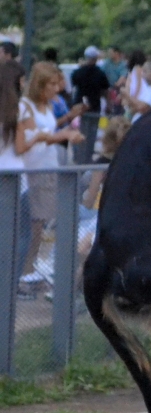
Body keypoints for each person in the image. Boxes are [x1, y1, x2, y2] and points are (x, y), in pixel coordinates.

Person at [15, 62, 85, 283]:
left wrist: (64, 127)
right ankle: (24, 272)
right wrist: (63, 135)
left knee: (41, 222)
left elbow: (48, 129)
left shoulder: (47, 105)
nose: (57, 88)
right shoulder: (25, 106)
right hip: (34, 170)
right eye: (52, 84)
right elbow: (33, 137)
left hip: (48, 167)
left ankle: (30, 267)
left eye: (57, 83)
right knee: (34, 224)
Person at [0, 61, 31, 282]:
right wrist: (37, 137)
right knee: (21, 235)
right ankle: (12, 279)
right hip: (17, 179)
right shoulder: (18, 109)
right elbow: (20, 148)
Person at [71, 46, 111, 114]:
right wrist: (108, 104)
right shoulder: (100, 73)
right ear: (96, 58)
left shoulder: (77, 72)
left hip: (79, 104)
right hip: (94, 105)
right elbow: (105, 90)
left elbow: (74, 86)